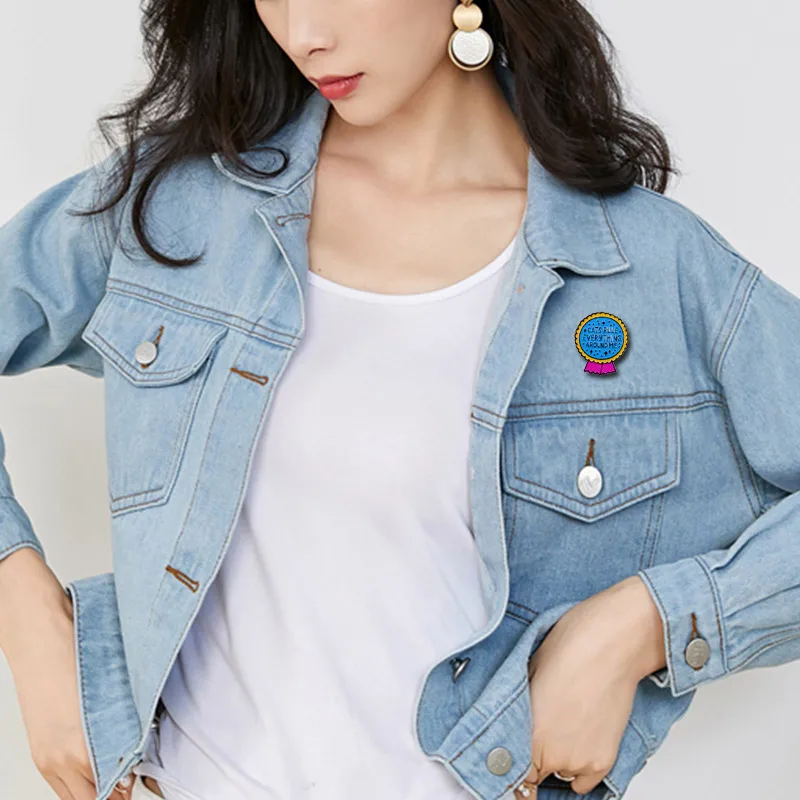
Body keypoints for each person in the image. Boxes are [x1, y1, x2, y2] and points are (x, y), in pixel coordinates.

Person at [1, 1, 799, 800]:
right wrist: (27, 614)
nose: (304, 33)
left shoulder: (647, 269)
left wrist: (639, 627)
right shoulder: (180, 205)